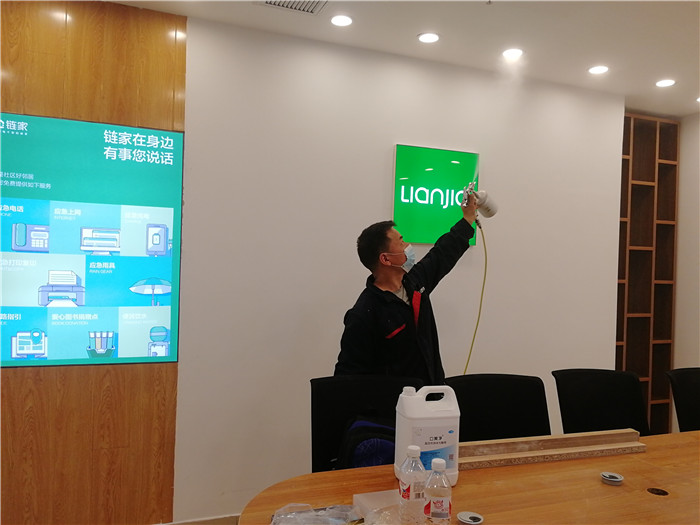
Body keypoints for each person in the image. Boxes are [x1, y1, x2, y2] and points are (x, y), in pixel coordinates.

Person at [335, 193, 478, 385]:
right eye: (401, 241)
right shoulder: (364, 313)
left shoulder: (415, 282)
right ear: (385, 259)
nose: (408, 246)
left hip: (432, 394)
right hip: (396, 403)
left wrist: (468, 218)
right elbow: (347, 377)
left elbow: (442, 254)